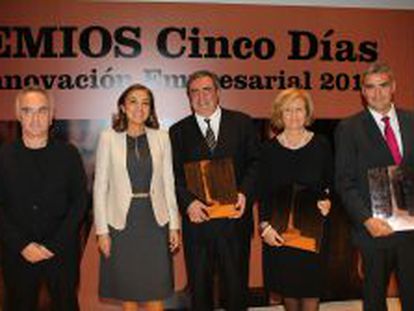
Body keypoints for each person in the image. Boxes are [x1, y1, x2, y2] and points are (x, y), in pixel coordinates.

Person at [169, 70, 259, 310]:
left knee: (236, 290)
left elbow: (256, 164)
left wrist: (245, 194)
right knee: (200, 291)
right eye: (194, 92)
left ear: (218, 92)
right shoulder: (177, 131)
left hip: (234, 221)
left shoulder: (242, 123)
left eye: (207, 89)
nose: (201, 96)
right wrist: (188, 203)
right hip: (198, 224)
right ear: (189, 97)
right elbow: (173, 174)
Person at [93, 83, 180, 311]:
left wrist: (174, 226)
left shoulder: (162, 137)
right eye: (133, 101)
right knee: (127, 291)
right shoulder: (108, 138)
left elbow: (168, 184)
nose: (139, 108)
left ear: (151, 109)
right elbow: (100, 187)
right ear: (122, 107)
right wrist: (102, 231)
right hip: (121, 225)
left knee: (156, 290)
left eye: (145, 103)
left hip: (155, 222)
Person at [335, 62, 414, 311]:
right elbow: (344, 182)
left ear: (393, 88)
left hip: (411, 230)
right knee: (375, 299)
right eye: (370, 87)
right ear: (363, 92)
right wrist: (367, 220)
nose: (377, 93)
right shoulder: (348, 128)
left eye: (383, 86)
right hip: (374, 230)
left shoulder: (412, 121)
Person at [0, 87, 87, 311]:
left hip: (61, 253)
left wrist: (53, 245)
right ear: (19, 115)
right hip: (17, 254)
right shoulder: (3, 156)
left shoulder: (69, 154)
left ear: (51, 116)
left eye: (42, 111)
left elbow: (79, 203)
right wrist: (22, 245)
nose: (35, 118)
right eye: (28, 111)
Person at [258, 88, 332, 311]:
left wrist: (328, 201)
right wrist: (264, 227)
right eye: (287, 110)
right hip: (279, 232)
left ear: (307, 113)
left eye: (299, 109)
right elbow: (262, 193)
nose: (293, 115)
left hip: (312, 231)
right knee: (289, 294)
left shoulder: (321, 144)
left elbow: (331, 182)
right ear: (279, 114)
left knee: (310, 294)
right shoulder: (267, 150)